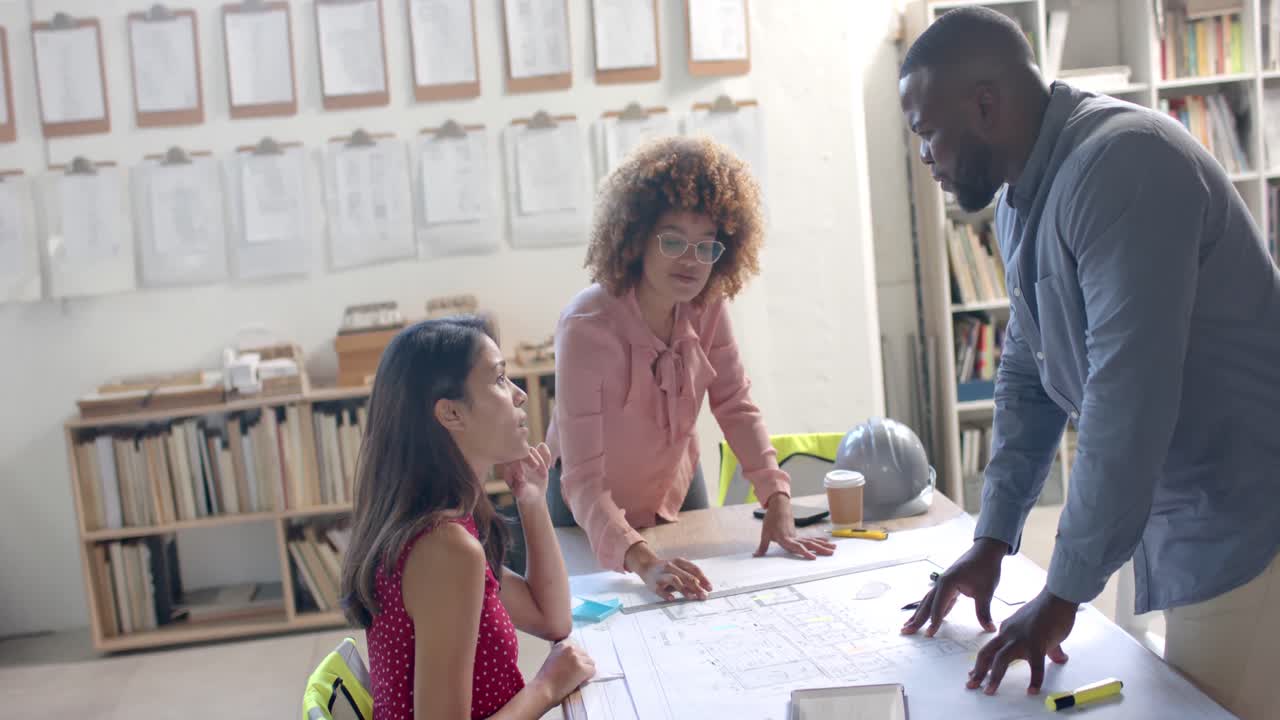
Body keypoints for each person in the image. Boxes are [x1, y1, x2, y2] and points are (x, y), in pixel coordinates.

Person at [897, 7, 1280, 718]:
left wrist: (1063, 591)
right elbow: (1026, 376)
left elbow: (1125, 400)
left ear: (985, 103)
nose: (923, 157)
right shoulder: (1021, 197)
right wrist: (994, 538)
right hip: (1165, 513)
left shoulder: (1124, 163)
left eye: (925, 131)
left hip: (1246, 517)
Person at [544, 136, 836, 601]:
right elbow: (581, 480)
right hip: (585, 508)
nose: (691, 260)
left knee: (701, 612)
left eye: (706, 246)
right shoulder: (585, 327)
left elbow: (734, 404)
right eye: (674, 240)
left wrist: (777, 497)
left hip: (673, 487)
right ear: (637, 238)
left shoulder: (707, 305)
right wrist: (642, 560)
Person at [339, 317, 595, 720]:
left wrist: (531, 499)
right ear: (451, 414)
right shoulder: (444, 548)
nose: (520, 395)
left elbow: (553, 619)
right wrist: (546, 687)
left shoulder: (453, 520)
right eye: (499, 379)